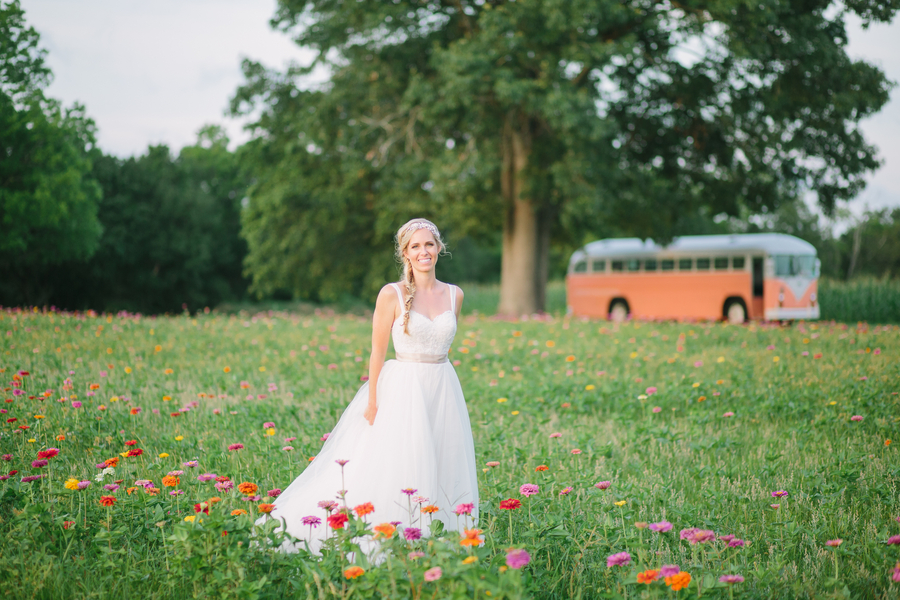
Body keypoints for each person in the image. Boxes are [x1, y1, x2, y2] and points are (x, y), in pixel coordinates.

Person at [259, 218, 478, 554]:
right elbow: (377, 351)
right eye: (416, 246)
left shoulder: (455, 295)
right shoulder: (392, 294)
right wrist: (373, 401)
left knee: (443, 455)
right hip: (404, 386)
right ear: (406, 254)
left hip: (443, 385)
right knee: (402, 460)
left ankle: (441, 534)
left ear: (439, 248)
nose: (424, 252)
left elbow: (442, 340)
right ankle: (396, 532)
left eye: (429, 244)